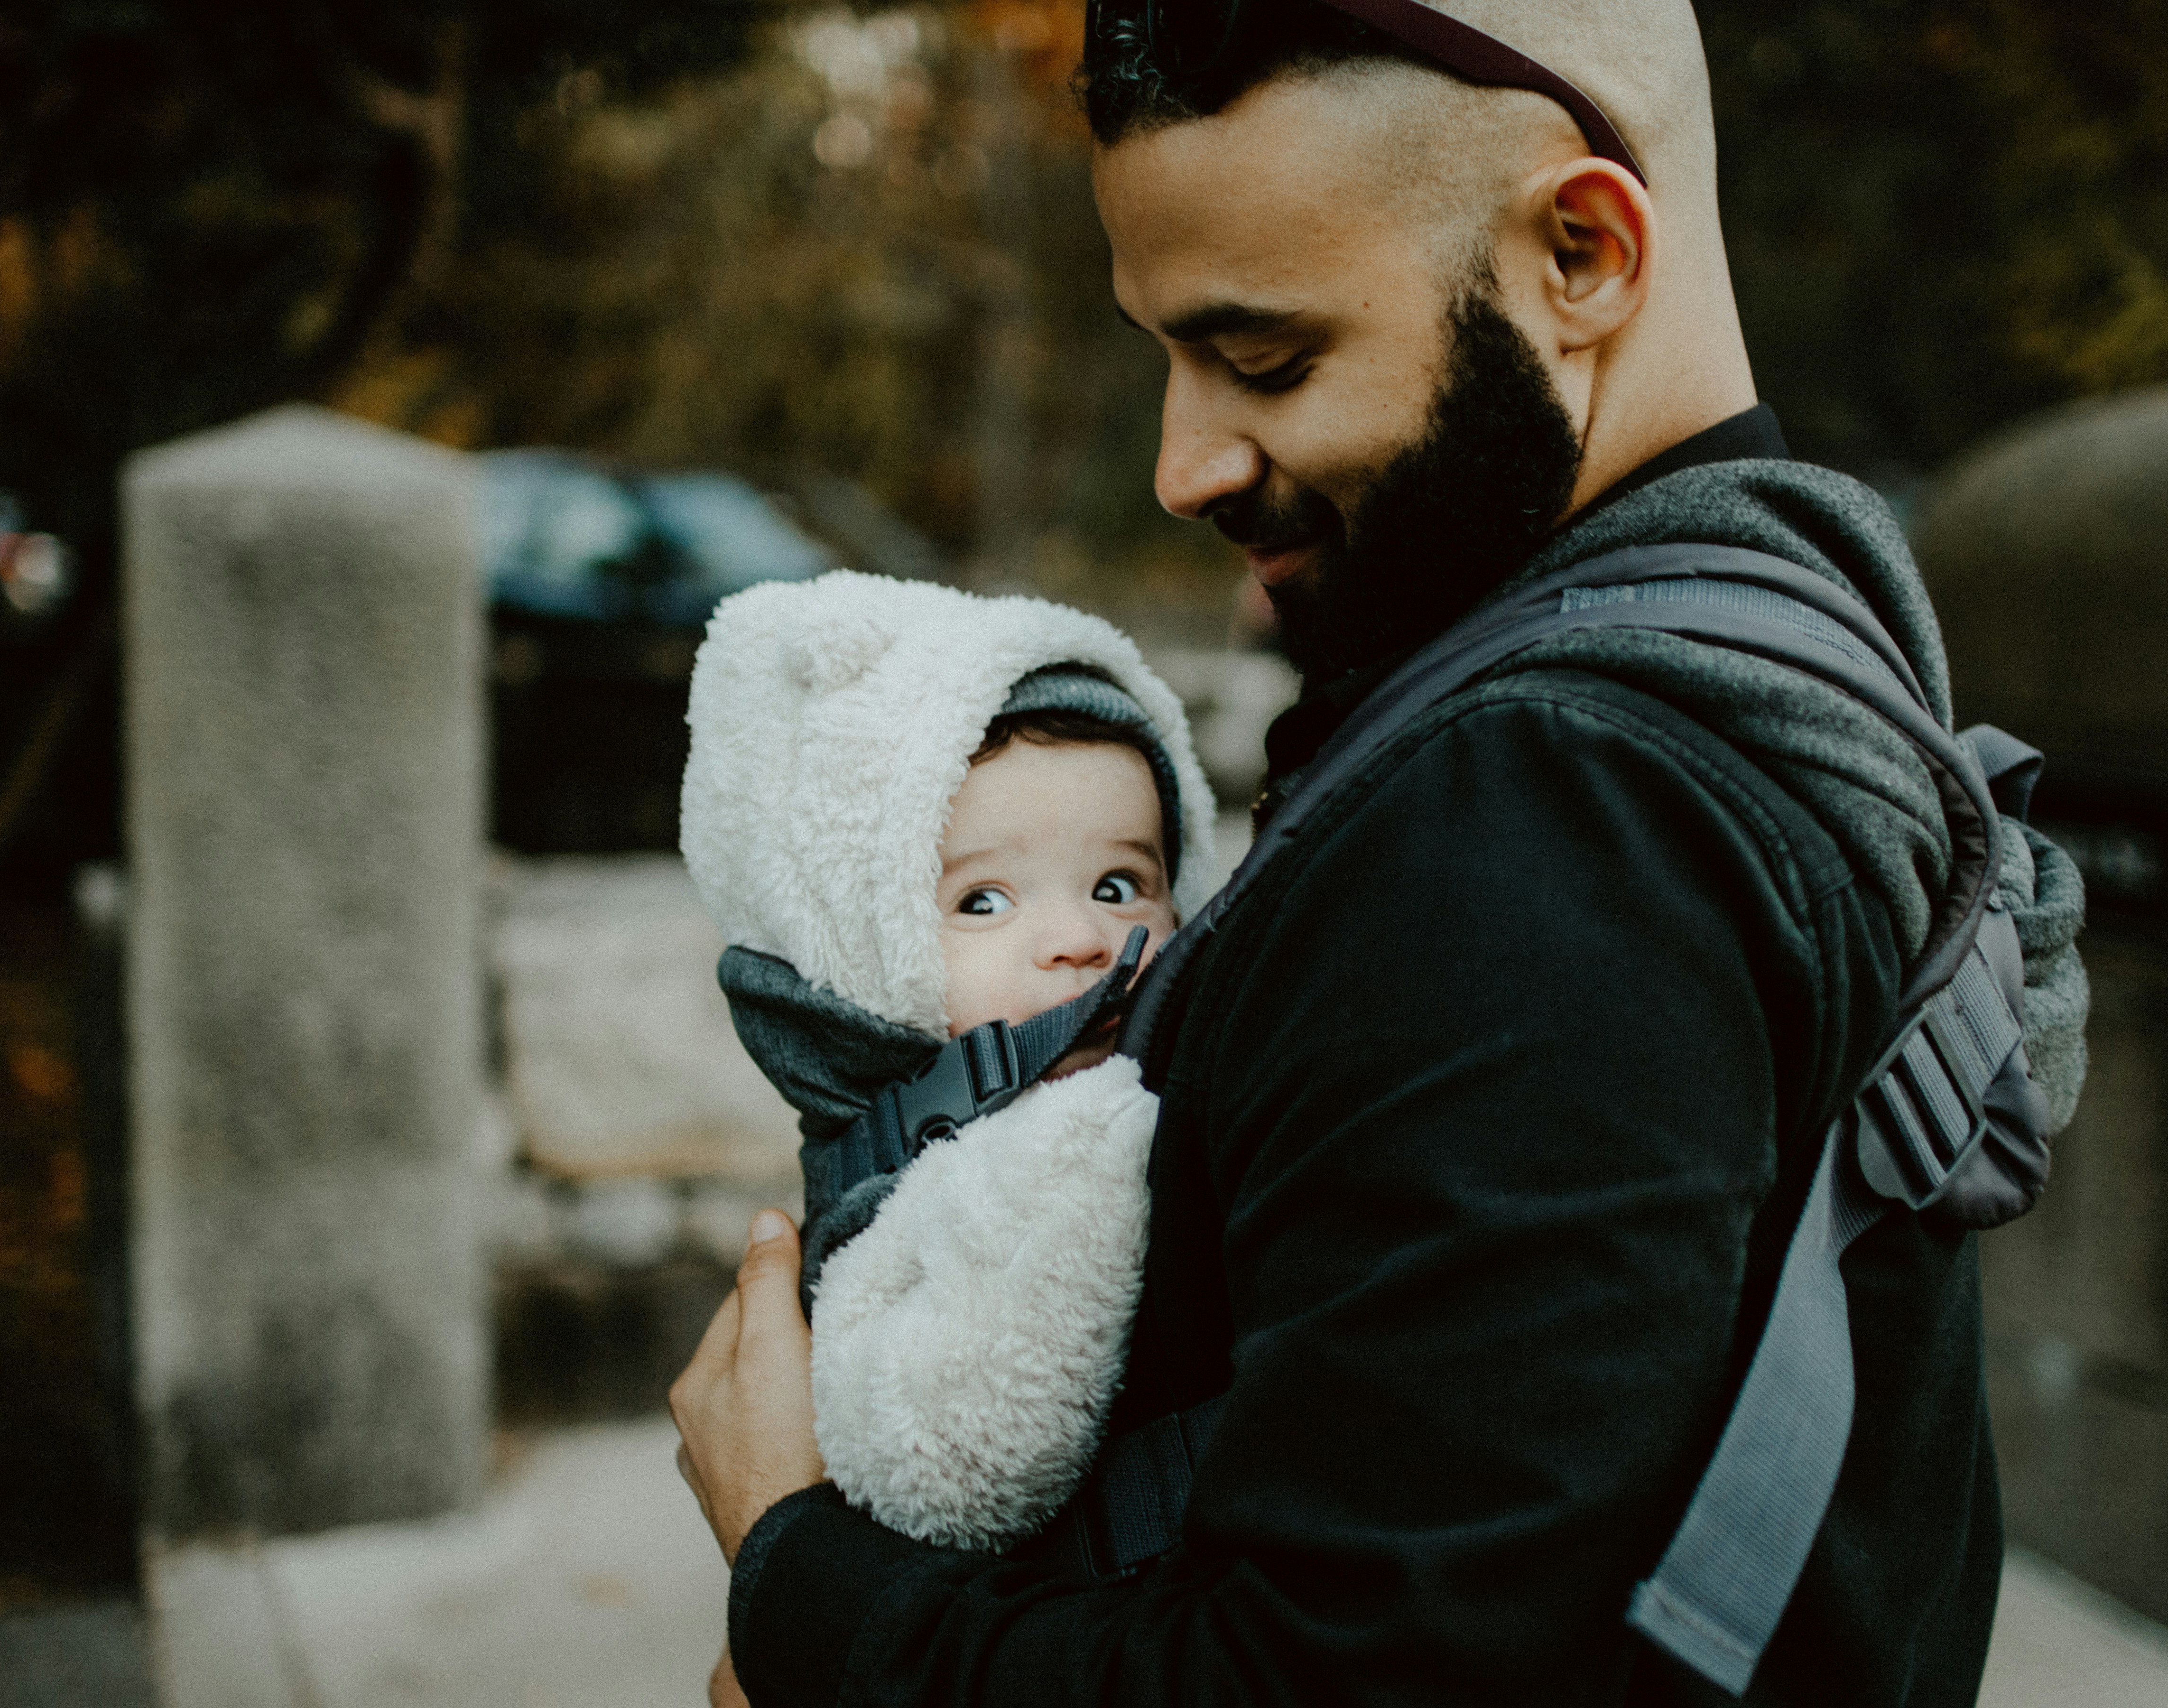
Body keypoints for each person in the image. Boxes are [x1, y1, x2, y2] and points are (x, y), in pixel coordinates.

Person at [670, 3, 2090, 1704]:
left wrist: (802, 1573)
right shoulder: (1808, 641)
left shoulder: (1546, 819)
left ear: (1582, 251)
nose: (1184, 462)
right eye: (1166, 356)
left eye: (1265, 359)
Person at [675, 570, 1217, 1560]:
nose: (1082, 938)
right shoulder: (899, 1183)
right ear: (861, 956)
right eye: (983, 901)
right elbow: (958, 1456)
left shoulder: (1196, 1094)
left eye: (1118, 883)